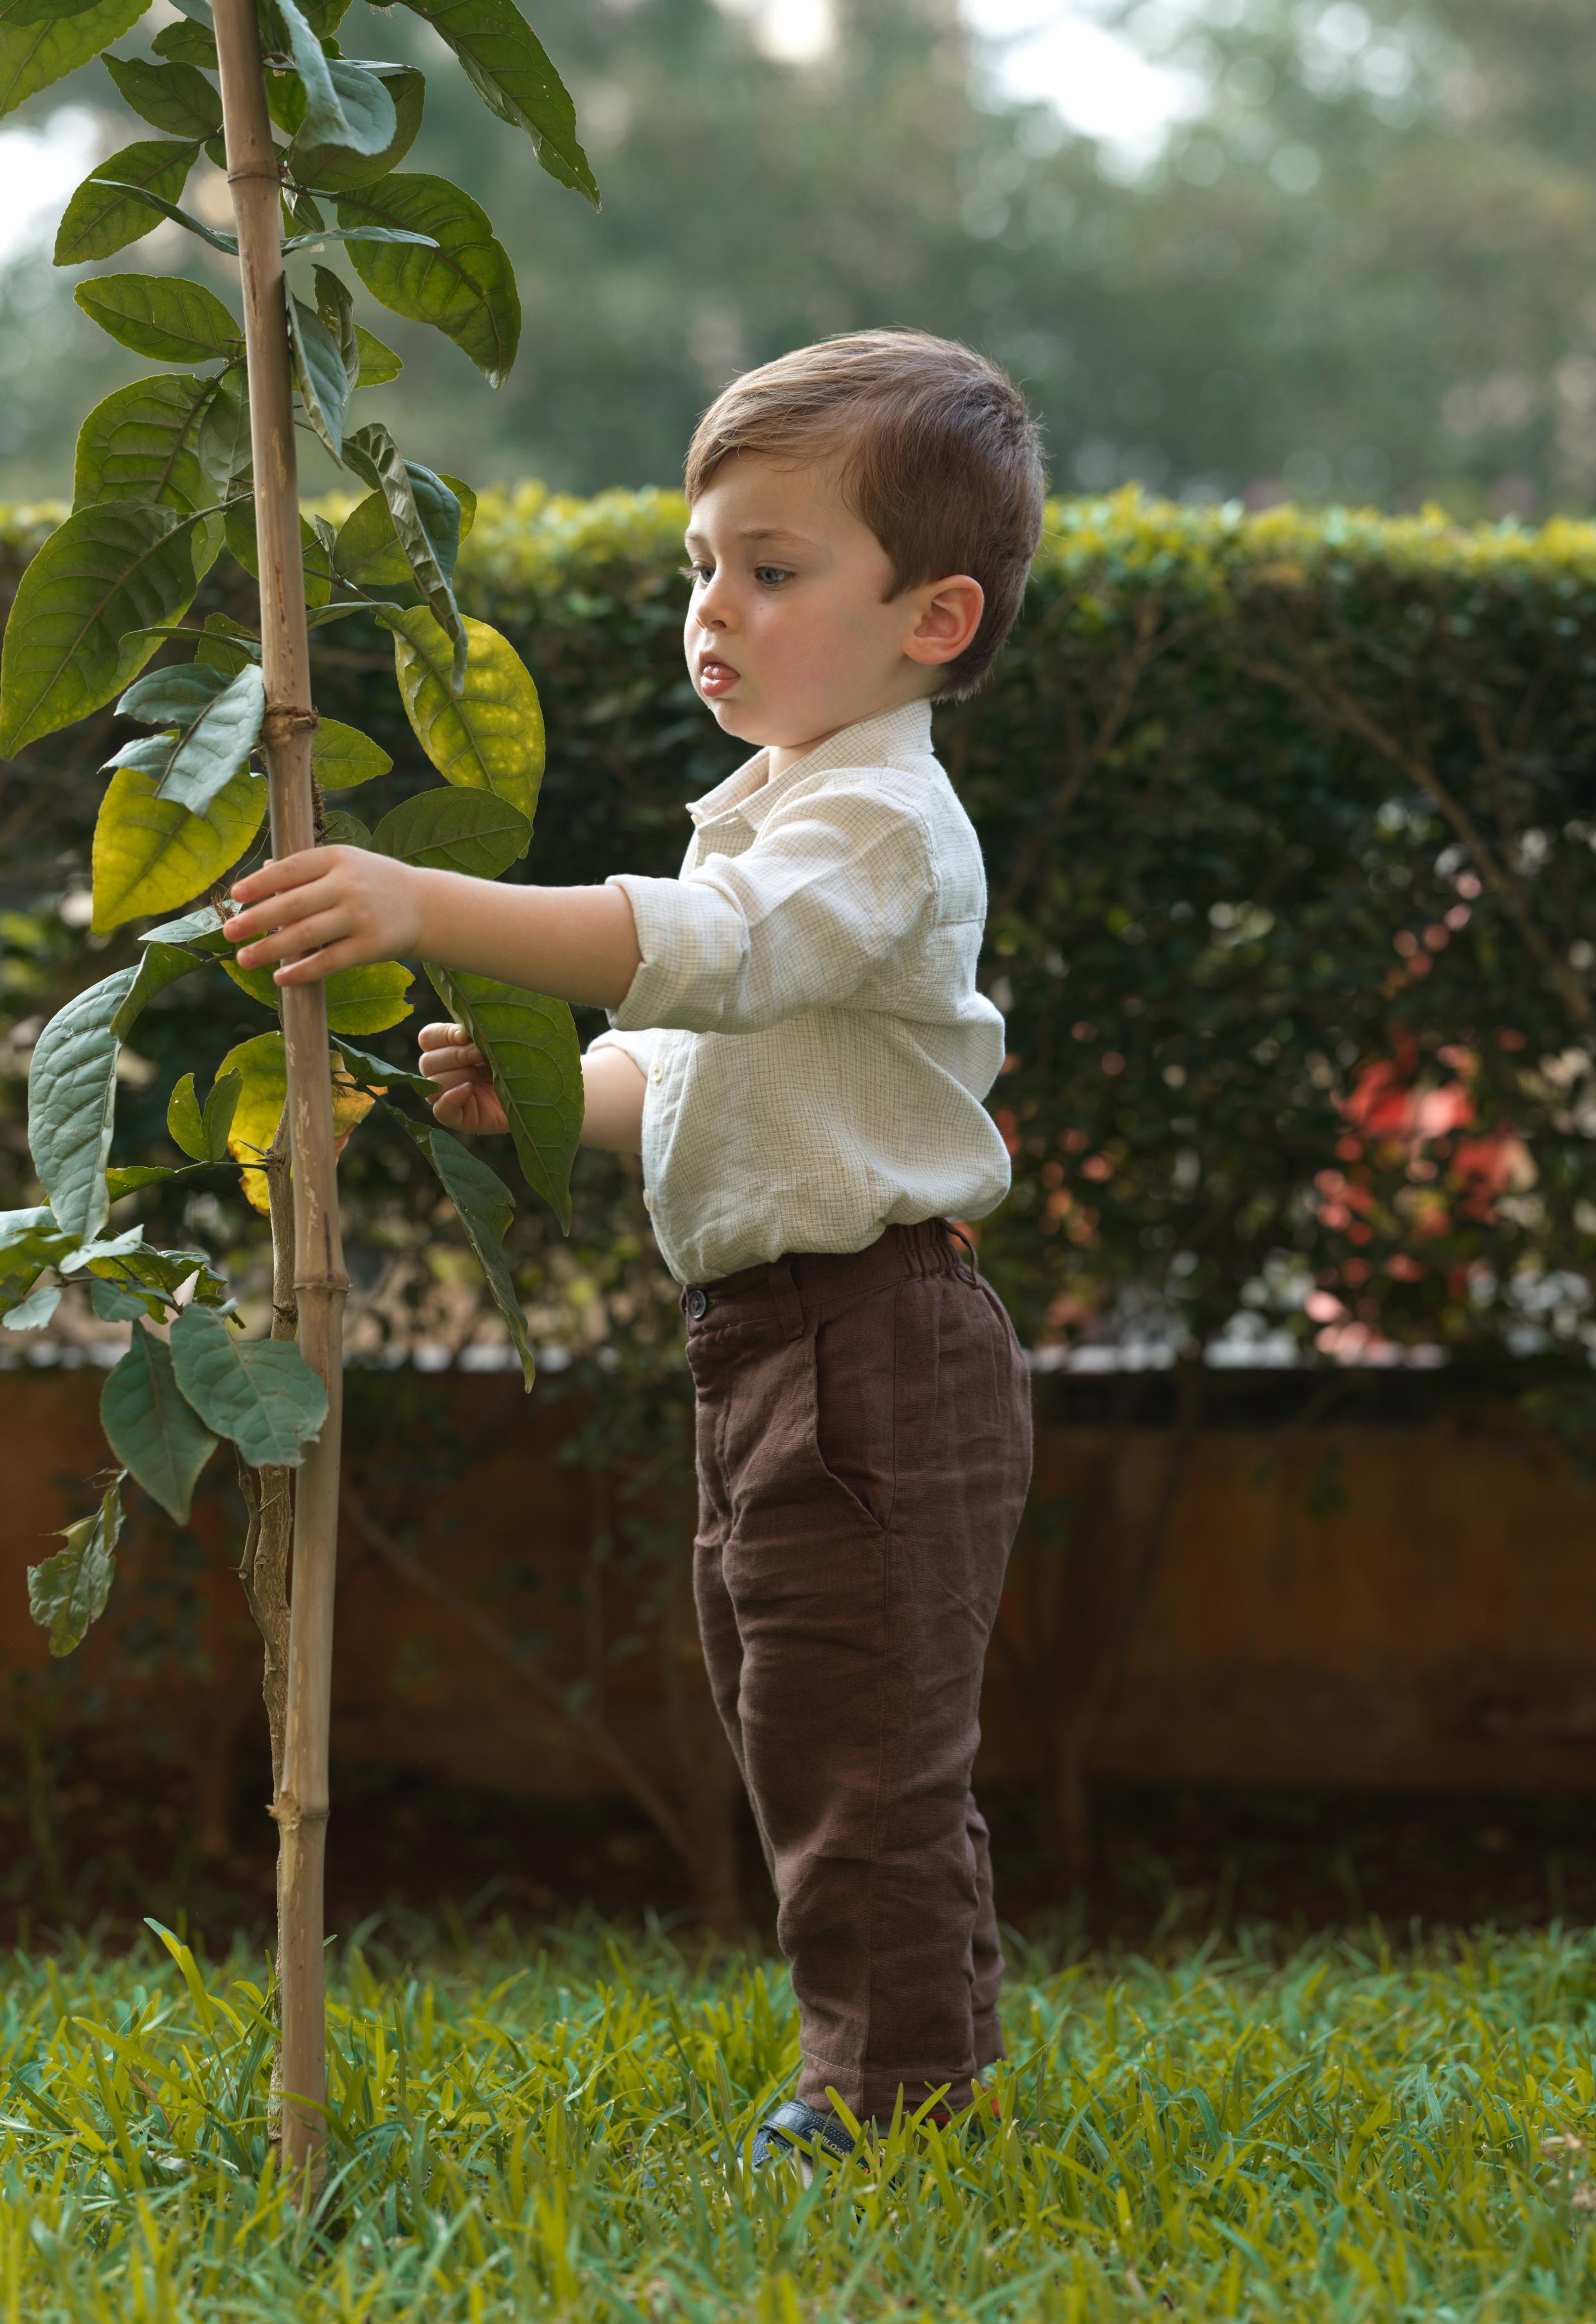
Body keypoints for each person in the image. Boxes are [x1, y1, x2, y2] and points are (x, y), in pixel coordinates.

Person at [222, 328, 1045, 2170]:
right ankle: (914, 2056)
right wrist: (556, 1099)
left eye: (775, 570)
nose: (716, 610)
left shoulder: (877, 824)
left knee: (862, 1741)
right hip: (779, 1344)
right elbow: (704, 1071)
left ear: (934, 619)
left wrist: (424, 906)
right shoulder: (790, 804)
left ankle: (890, 2094)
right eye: (702, 566)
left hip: (873, 1344)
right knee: (813, 1717)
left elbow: (712, 952)